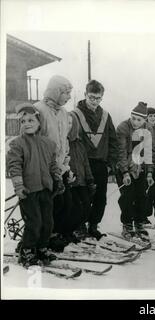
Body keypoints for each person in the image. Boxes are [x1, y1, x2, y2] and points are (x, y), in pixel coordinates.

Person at [7, 103, 64, 267]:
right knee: (34, 222)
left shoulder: (48, 144)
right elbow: (14, 166)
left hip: (45, 190)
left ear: (39, 122)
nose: (27, 123)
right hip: (28, 191)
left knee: (48, 222)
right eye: (23, 121)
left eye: (31, 120)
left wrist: (58, 179)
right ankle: (27, 251)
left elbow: (53, 165)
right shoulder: (17, 144)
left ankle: (42, 248)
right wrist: (19, 186)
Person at [74, 80, 119, 239]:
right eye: (91, 97)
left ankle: (93, 226)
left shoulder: (106, 116)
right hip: (82, 165)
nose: (94, 101)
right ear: (85, 95)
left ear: (102, 98)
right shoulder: (75, 115)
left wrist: (111, 164)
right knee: (83, 198)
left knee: (100, 198)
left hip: (101, 164)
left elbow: (114, 141)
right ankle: (79, 227)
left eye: (98, 98)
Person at [34, 75, 75, 247]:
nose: (68, 97)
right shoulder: (38, 110)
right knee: (46, 207)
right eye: (66, 92)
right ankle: (42, 239)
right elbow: (33, 140)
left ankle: (56, 234)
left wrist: (65, 165)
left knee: (64, 204)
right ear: (56, 91)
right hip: (43, 168)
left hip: (59, 168)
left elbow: (64, 141)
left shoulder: (64, 113)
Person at [116, 102, 155, 238]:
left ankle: (139, 224)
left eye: (139, 119)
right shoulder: (123, 128)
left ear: (144, 120)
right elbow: (121, 152)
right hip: (124, 167)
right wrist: (125, 173)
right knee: (128, 196)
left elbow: (149, 152)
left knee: (141, 197)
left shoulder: (148, 130)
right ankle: (127, 225)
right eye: (133, 118)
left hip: (140, 167)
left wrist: (149, 172)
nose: (135, 122)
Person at [67, 112, 97, 240]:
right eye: (67, 123)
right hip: (71, 182)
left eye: (71, 124)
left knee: (86, 206)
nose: (69, 126)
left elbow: (85, 163)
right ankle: (73, 229)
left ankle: (81, 226)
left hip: (82, 182)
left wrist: (90, 179)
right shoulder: (63, 143)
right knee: (75, 208)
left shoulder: (79, 144)